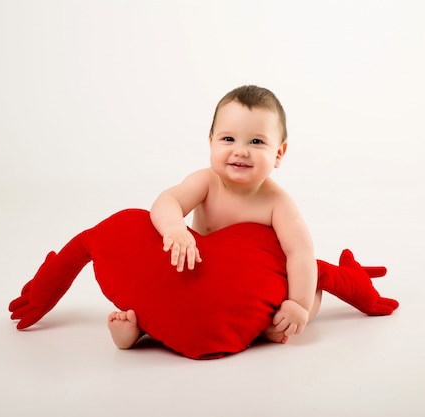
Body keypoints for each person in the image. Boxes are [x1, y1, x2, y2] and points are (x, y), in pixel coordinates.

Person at [108, 85, 321, 349]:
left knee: (314, 289)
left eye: (256, 142)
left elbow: (300, 252)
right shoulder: (206, 182)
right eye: (228, 139)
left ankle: (273, 325)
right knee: (155, 282)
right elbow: (168, 200)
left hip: (247, 291)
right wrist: (175, 228)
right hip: (197, 277)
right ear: (211, 143)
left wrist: (299, 304)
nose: (240, 151)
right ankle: (136, 327)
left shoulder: (278, 203)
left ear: (278, 153)